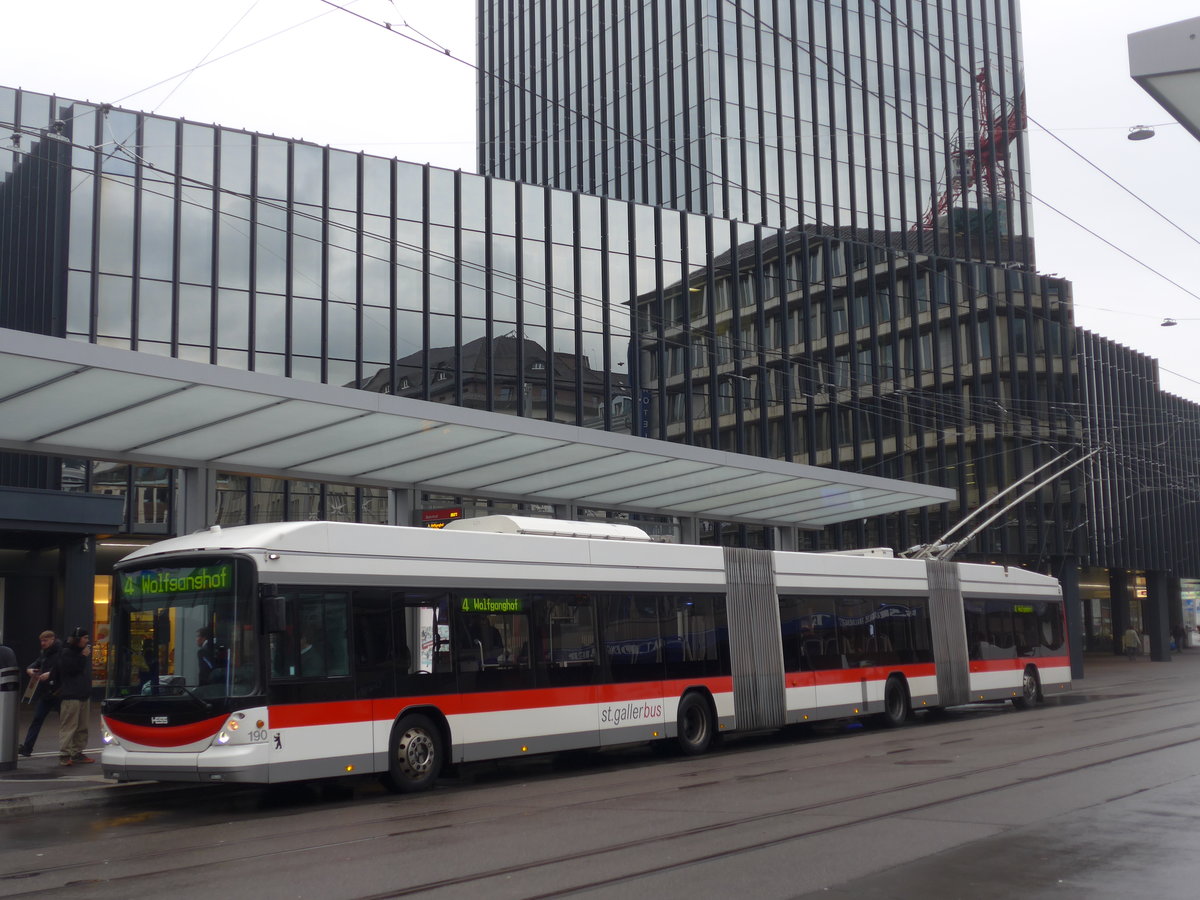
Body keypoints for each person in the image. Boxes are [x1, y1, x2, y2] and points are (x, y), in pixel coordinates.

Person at [53, 627, 93, 766]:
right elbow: (73, 670)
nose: (87, 641)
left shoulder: (77, 652)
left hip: (82, 694)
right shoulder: (66, 652)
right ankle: (65, 754)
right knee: (69, 726)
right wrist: (83, 657)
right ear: (78, 639)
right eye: (85, 638)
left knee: (82, 726)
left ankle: (77, 752)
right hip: (71, 695)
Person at [17, 630, 61, 757]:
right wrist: (30, 669)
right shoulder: (45, 653)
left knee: (65, 723)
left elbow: (62, 667)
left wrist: (50, 674)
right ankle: (27, 748)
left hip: (58, 692)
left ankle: (68, 750)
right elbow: (36, 663)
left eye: (45, 640)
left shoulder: (61, 652)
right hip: (46, 692)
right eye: (41, 641)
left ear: (52, 639)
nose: (42, 643)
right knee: (37, 719)